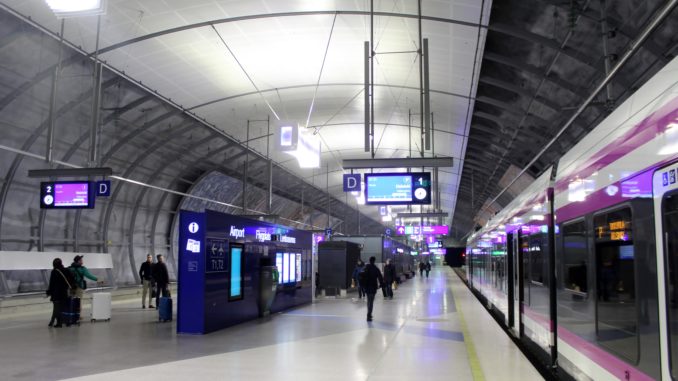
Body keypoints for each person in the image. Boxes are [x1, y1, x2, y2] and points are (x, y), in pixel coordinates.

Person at [46, 258, 74, 328]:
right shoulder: (66, 270)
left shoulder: (54, 271)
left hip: (56, 293)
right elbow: (72, 279)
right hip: (65, 292)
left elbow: (51, 283)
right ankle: (67, 321)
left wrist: (49, 292)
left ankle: (58, 323)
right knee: (65, 307)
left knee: (57, 308)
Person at [364, 256, 383, 321]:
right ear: (374, 261)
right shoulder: (376, 268)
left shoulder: (366, 267)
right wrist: (381, 285)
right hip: (373, 287)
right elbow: (380, 277)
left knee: (368, 301)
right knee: (371, 302)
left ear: (369, 260)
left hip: (366, 287)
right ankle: (369, 315)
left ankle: (369, 314)